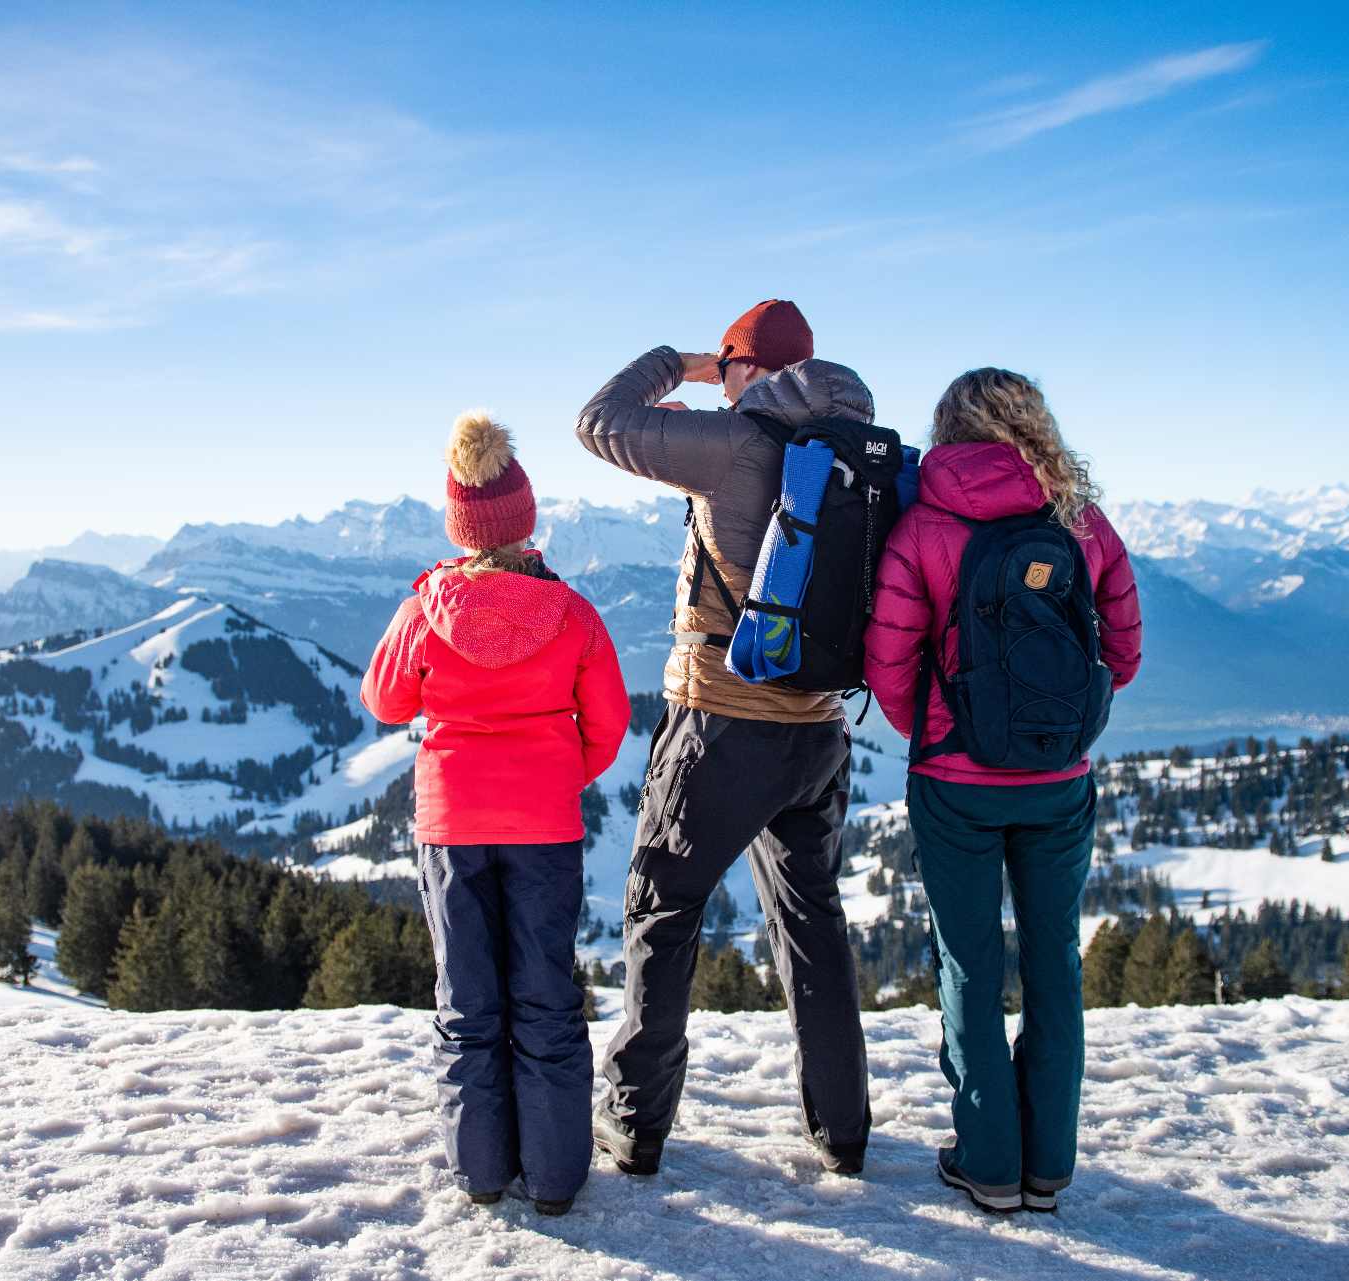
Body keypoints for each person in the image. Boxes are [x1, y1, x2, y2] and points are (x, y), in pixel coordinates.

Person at [574, 300, 872, 1177]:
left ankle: (635, 1124)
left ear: (747, 368)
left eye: (734, 363)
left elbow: (598, 423)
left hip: (722, 723)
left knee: (662, 909)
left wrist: (682, 362)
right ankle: (843, 1128)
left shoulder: (737, 442)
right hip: (818, 729)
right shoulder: (860, 449)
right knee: (812, 920)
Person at [863, 368, 1142, 1215]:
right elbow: (1121, 654)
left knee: (970, 963)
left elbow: (889, 662)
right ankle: (1048, 1165)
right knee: (1055, 961)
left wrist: (943, 733)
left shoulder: (925, 524)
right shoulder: (1080, 520)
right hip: (1059, 783)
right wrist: (1055, 729)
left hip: (955, 784)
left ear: (950, 427)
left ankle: (987, 1160)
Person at [361, 410, 630, 1216]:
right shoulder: (574, 614)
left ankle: (480, 1170)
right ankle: (554, 1178)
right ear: (526, 518)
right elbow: (610, 724)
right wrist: (557, 774)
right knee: (545, 994)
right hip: (544, 825)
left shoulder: (427, 609)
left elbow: (383, 697)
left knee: (468, 997)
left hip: (452, 825)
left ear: (460, 523)